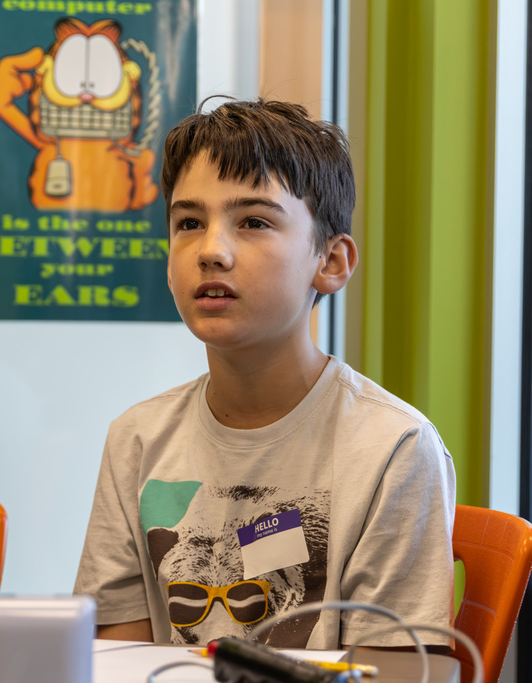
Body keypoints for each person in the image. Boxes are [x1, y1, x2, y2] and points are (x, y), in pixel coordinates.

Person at [73, 98, 456, 650]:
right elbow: (118, 654)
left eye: (253, 221)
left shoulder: (392, 447)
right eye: (188, 223)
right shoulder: (137, 438)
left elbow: (398, 666)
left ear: (330, 262)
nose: (211, 251)